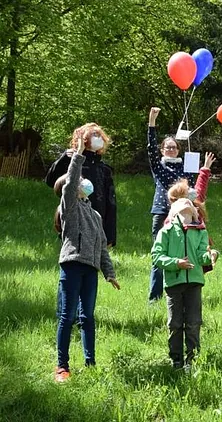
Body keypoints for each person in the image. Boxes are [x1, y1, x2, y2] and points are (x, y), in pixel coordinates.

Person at [53, 133, 120, 383]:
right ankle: (62, 366)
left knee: (87, 317)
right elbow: (70, 181)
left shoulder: (95, 215)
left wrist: (109, 273)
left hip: (90, 271)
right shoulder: (68, 206)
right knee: (67, 316)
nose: (84, 182)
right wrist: (79, 153)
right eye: (81, 180)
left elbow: (102, 248)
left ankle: (90, 363)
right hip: (72, 266)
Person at [152, 197, 211, 369]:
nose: (187, 216)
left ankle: (192, 359)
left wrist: (211, 255)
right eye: (183, 212)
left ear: (194, 214)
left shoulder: (200, 232)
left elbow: (201, 256)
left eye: (190, 212)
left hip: (194, 282)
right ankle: (176, 359)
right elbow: (157, 257)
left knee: (194, 322)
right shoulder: (166, 231)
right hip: (173, 283)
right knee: (175, 323)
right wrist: (176, 263)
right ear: (175, 214)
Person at [147, 107, 197, 302]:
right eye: (167, 147)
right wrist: (152, 122)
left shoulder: (186, 166)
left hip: (183, 214)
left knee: (182, 253)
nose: (171, 149)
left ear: (178, 149)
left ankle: (179, 293)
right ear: (162, 150)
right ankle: (154, 297)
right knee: (159, 254)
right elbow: (150, 149)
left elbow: (194, 185)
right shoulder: (159, 166)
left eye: (174, 147)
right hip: (162, 212)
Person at [45, 123, 117, 247]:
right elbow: (51, 181)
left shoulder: (104, 169)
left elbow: (111, 204)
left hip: (97, 221)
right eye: (94, 134)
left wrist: (110, 235)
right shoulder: (72, 162)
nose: (98, 137)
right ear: (83, 139)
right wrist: (64, 158)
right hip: (76, 220)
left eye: (100, 135)